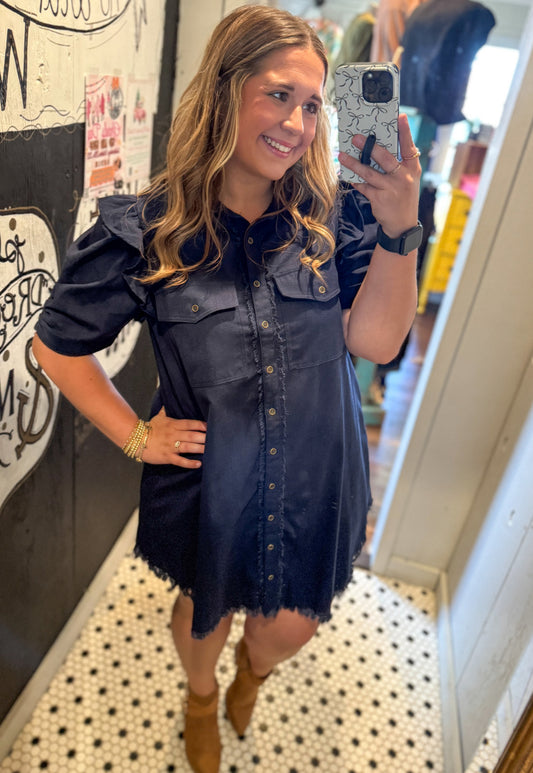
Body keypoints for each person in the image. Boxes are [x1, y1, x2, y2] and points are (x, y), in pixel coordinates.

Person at [32, 6, 421, 772]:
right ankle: (202, 693)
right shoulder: (146, 229)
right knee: (204, 608)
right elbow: (57, 344)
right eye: (278, 95)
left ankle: (254, 672)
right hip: (214, 477)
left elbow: (375, 341)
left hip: (317, 468)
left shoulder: (333, 218)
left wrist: (398, 230)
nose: (298, 123)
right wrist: (135, 434)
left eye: (312, 105)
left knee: (286, 625)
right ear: (224, 88)